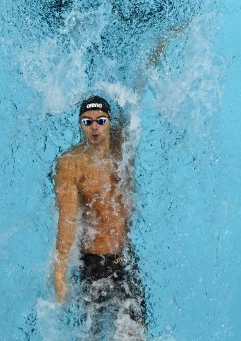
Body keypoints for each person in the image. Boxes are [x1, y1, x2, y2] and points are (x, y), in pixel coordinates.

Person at [52, 96, 146, 338]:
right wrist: (60, 271)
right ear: (80, 124)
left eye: (100, 121)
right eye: (87, 121)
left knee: (136, 334)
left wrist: (153, 58)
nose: (94, 127)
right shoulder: (71, 164)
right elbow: (68, 219)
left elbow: (136, 92)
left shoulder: (122, 146)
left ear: (109, 122)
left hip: (125, 260)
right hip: (94, 264)